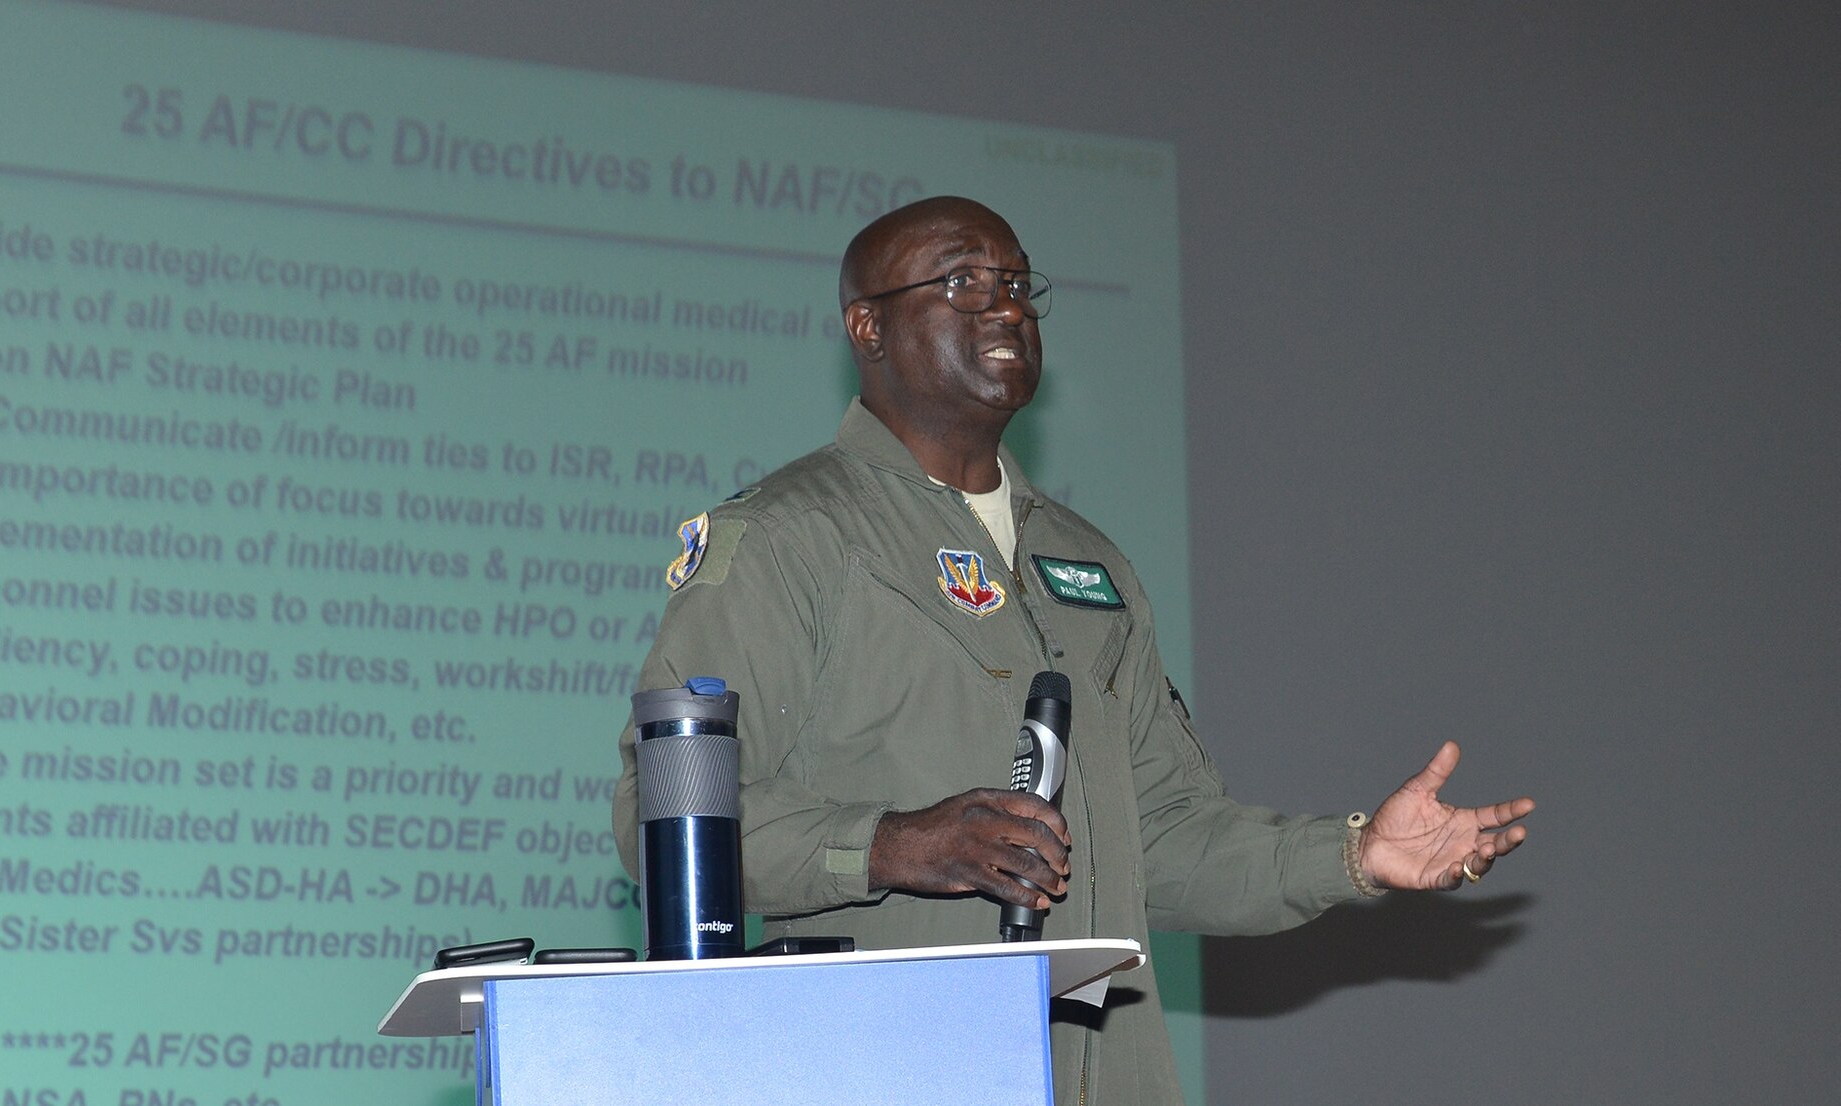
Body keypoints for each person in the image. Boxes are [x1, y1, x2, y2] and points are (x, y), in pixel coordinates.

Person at [612, 196, 1534, 1106]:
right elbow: (662, 828)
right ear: (869, 328)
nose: (1006, 306)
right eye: (963, 281)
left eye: (1017, 283)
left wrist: (1357, 855)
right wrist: (890, 845)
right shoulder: (785, 538)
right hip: (888, 1065)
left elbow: (1162, 841)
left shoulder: (1087, 561)